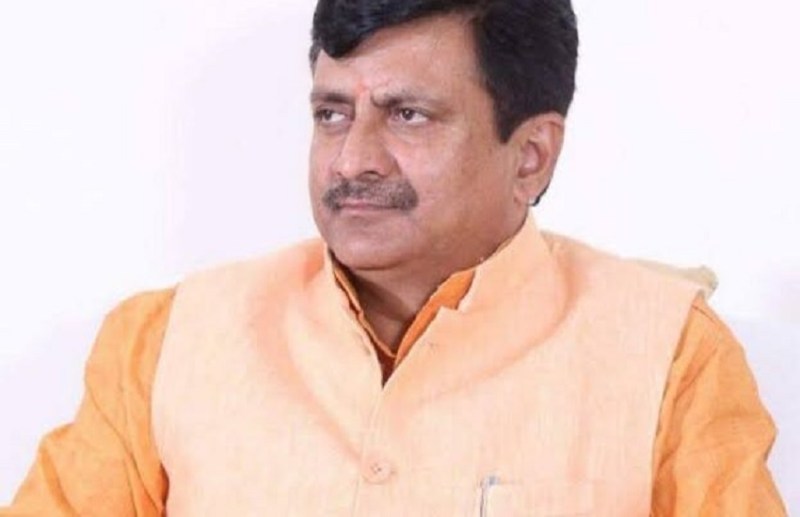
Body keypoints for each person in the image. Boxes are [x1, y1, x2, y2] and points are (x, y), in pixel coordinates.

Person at [1, 0, 786, 515]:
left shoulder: (668, 356)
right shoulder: (167, 343)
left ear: (531, 156)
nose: (352, 160)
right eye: (332, 113)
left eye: (408, 115)